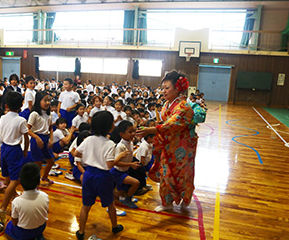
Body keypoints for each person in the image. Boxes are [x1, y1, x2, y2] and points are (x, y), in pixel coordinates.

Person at [136, 70, 198, 212]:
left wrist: (149, 130)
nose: (163, 91)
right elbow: (165, 123)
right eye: (162, 88)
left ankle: (185, 199)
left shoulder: (184, 107)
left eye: (167, 88)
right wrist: (154, 125)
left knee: (183, 174)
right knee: (166, 173)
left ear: (178, 88)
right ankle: (167, 203)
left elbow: (170, 125)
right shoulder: (167, 105)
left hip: (182, 147)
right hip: (168, 144)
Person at [74, 111, 128, 240]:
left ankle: (81, 232)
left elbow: (76, 153)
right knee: (110, 204)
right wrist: (119, 156)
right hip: (103, 176)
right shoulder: (109, 144)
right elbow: (109, 165)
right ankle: (115, 227)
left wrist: (89, 156)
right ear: (110, 127)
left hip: (88, 174)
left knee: (85, 206)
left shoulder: (88, 139)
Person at [0, 91, 29, 223]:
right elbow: (26, 138)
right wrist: (26, 151)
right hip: (14, 150)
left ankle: (13, 194)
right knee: (15, 180)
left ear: (6, 105)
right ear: (21, 104)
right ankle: (3, 207)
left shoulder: (2, 117)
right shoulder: (21, 120)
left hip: (4, 148)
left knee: (7, 176)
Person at [4, 162, 49, 240]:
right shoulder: (45, 196)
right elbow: (46, 212)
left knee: (6, 225)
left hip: (24, 232)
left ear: (20, 182)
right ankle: (37, 236)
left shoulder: (16, 201)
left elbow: (15, 222)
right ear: (38, 183)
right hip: (40, 228)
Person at [110, 120, 140, 208]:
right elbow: (117, 163)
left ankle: (123, 197)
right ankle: (128, 200)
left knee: (120, 193)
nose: (133, 134)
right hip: (117, 172)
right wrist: (131, 164)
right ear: (121, 134)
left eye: (133, 131)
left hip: (124, 171)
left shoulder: (130, 142)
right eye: (130, 132)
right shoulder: (120, 146)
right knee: (136, 183)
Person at [27, 91, 54, 185]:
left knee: (51, 161)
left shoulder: (49, 114)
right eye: (45, 100)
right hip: (36, 139)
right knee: (38, 164)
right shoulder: (34, 114)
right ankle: (36, 183)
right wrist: (36, 138)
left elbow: (50, 128)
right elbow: (27, 129)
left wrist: (51, 139)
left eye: (49, 100)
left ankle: (45, 177)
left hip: (46, 139)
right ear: (38, 101)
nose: (48, 103)